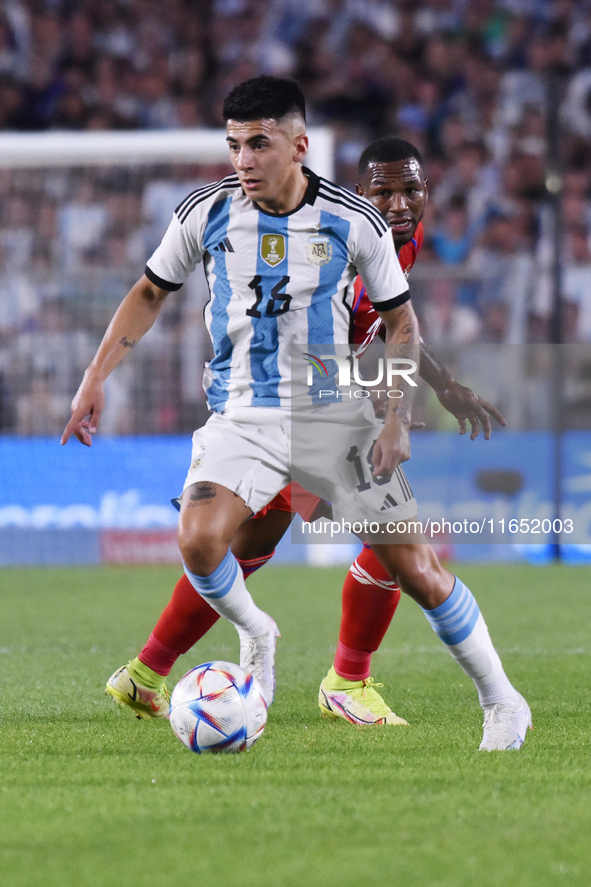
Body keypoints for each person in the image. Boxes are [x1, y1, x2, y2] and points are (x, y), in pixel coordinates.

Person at [63, 77, 530, 751]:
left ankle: (501, 699)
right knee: (202, 540)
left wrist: (397, 417)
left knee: (415, 568)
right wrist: (94, 377)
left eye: (258, 143)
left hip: (333, 418)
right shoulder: (205, 211)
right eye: (233, 145)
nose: (243, 159)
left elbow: (401, 325)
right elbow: (147, 290)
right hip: (240, 414)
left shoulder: (355, 223)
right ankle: (264, 637)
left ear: (298, 145)